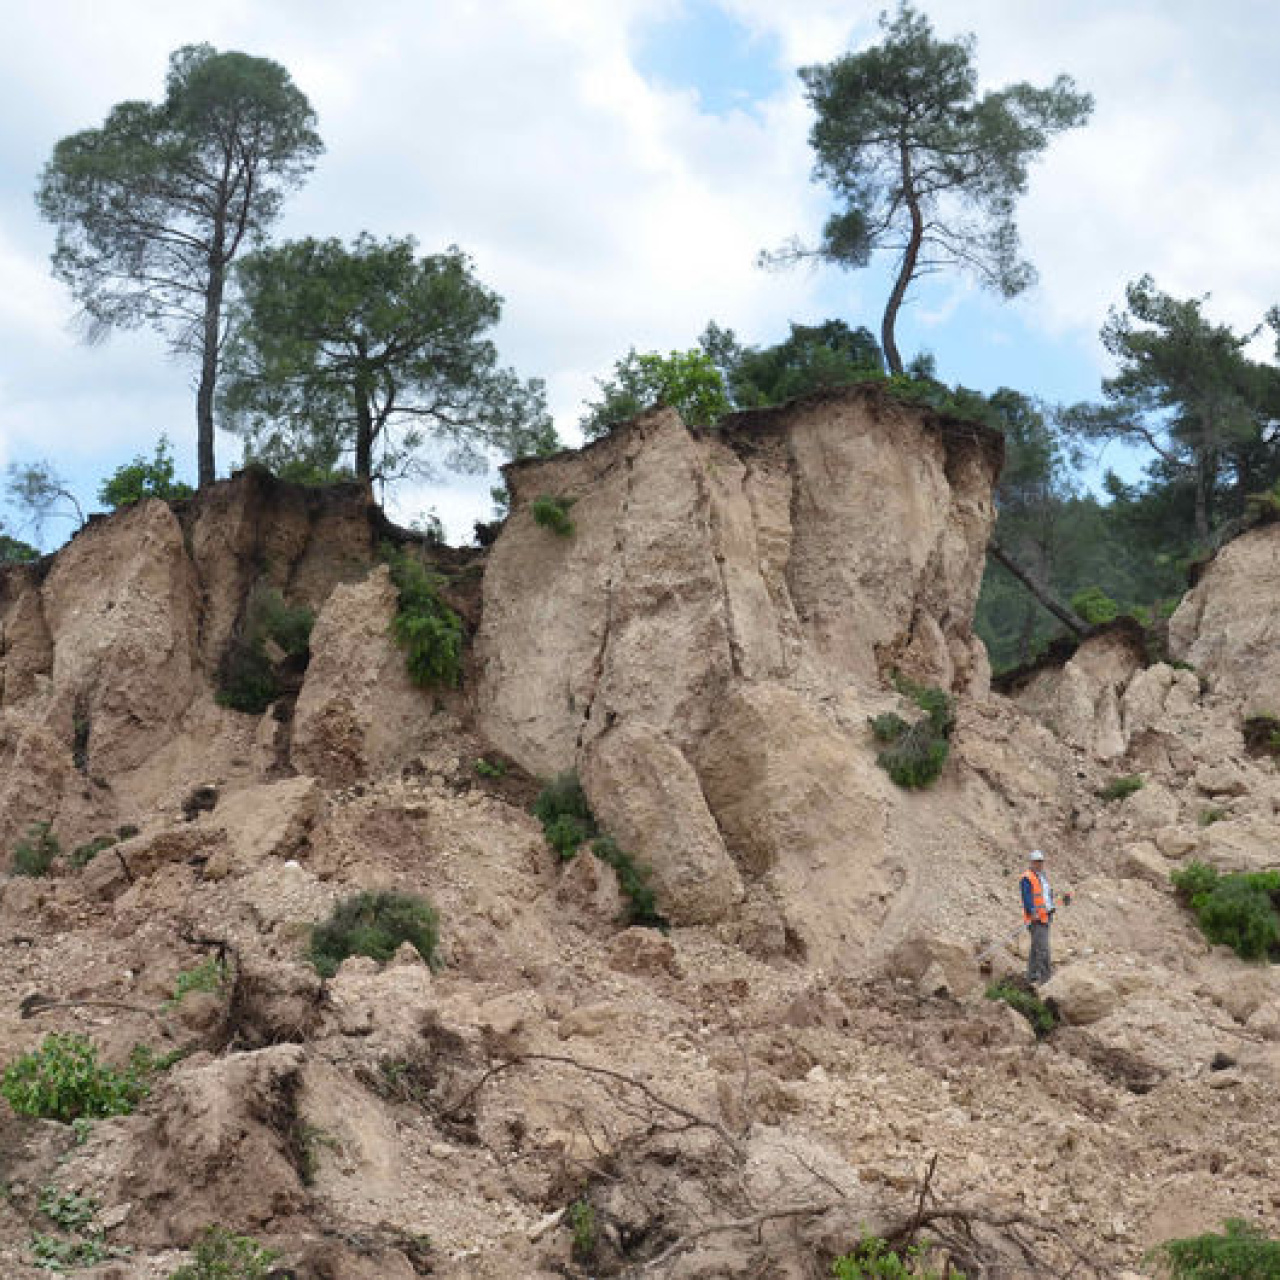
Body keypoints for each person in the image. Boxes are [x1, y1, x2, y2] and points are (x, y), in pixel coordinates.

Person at [1020, 849, 1057, 985]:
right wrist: (1032, 912)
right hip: (1036, 919)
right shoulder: (1027, 877)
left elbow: (1045, 895)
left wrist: (1051, 906)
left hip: (1045, 916)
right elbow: (1026, 897)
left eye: (1041, 862)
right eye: (1036, 862)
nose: (1039, 864)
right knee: (1043, 949)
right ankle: (1046, 979)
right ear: (1031, 862)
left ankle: (1031, 977)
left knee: (1036, 948)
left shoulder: (1042, 877)